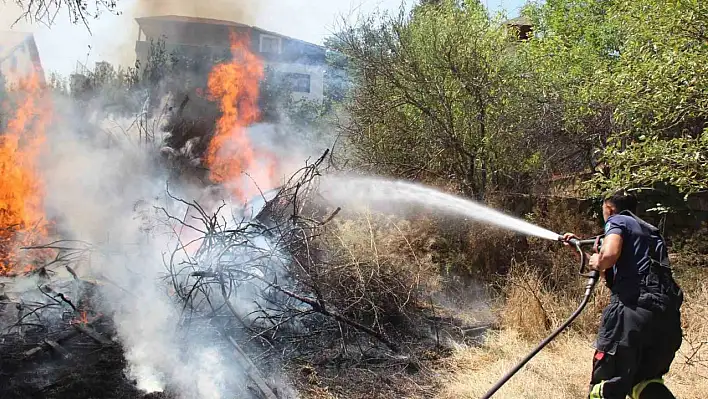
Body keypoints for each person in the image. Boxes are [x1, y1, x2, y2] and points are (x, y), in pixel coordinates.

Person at [563, 189, 684, 399]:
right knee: (645, 384)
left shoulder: (617, 220)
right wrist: (581, 251)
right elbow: (621, 268)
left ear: (609, 209)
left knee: (605, 387)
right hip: (665, 319)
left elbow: (608, 255)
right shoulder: (650, 232)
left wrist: (598, 260)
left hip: (632, 312)